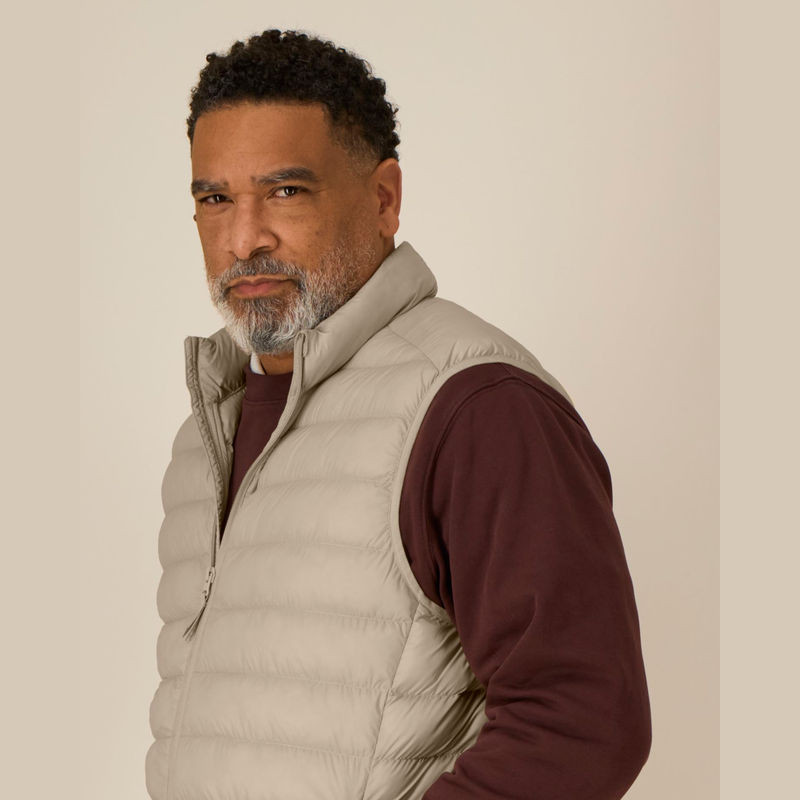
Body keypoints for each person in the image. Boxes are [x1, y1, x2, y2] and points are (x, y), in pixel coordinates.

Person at [145, 29, 651, 800]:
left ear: (384, 199)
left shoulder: (475, 407)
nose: (243, 239)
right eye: (215, 199)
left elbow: (582, 719)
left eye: (286, 191)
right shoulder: (206, 432)